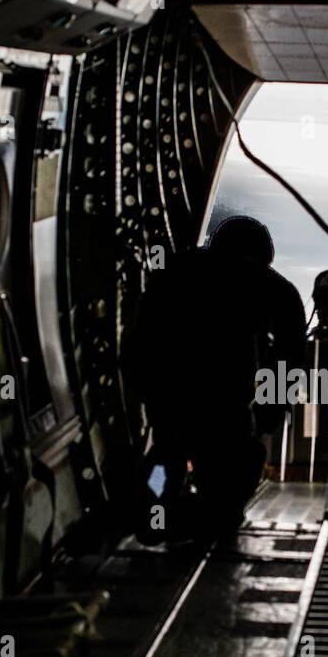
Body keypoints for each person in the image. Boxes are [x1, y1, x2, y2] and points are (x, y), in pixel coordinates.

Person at [123, 216, 305, 541]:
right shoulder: (273, 287)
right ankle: (193, 517)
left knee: (167, 454)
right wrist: (270, 411)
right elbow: (289, 356)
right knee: (231, 477)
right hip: (224, 400)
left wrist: (149, 390)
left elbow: (140, 339)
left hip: (169, 391)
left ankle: (152, 512)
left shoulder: (175, 271)